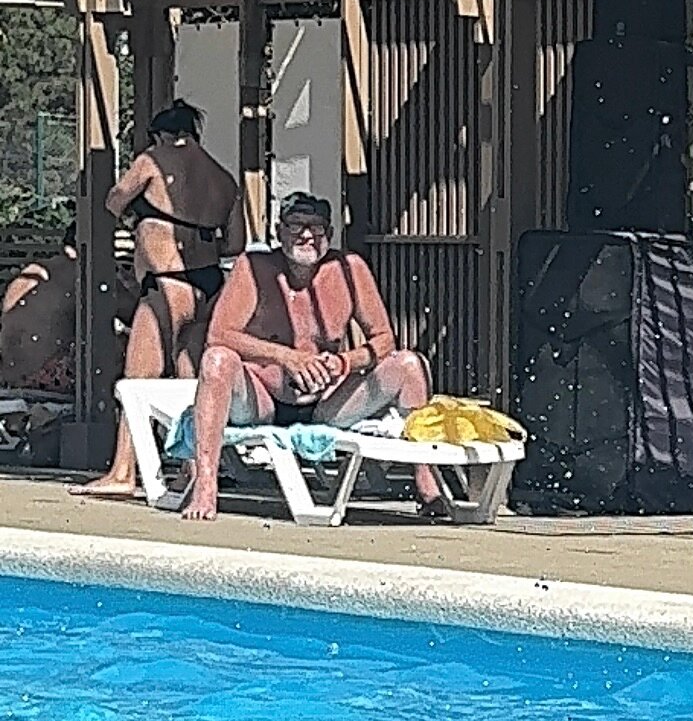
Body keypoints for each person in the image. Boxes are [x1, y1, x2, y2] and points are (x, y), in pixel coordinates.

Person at [180, 191, 441, 524]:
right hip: (264, 400)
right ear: (279, 231)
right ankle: (205, 485)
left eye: (316, 227)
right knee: (217, 359)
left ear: (329, 233)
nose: (307, 235)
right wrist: (285, 357)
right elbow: (219, 335)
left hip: (327, 402)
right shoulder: (255, 268)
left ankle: (427, 482)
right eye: (297, 226)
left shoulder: (349, 269)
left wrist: (345, 362)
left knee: (410, 365)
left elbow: (384, 339)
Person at [76, 101, 244, 497]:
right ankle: (194, 469)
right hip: (207, 284)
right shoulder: (224, 179)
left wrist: (148, 221)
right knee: (191, 381)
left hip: (166, 283)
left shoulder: (153, 160)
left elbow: (114, 201)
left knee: (137, 381)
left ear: (161, 135)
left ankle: (123, 470)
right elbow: (234, 243)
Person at [0, 233, 77, 394]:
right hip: (47, 377)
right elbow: (129, 312)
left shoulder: (33, 271)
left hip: (10, 375)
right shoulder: (82, 272)